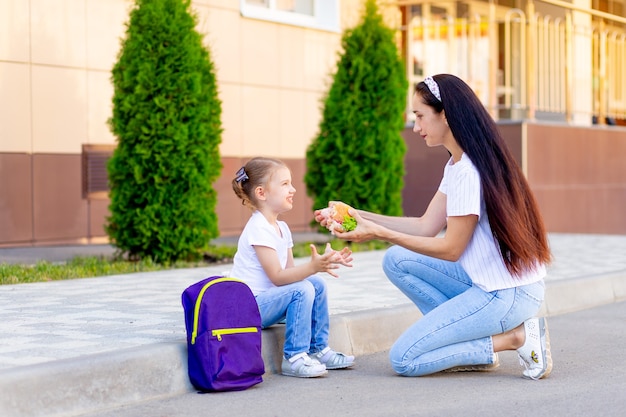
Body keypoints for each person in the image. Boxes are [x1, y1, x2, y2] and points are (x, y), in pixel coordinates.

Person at [315, 74, 553, 380]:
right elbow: (425, 226)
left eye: (420, 116)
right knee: (396, 259)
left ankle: (515, 337)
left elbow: (451, 249)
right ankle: (469, 346)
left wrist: (379, 232)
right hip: (496, 285)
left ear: (446, 114)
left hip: (505, 296)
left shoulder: (468, 172)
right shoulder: (457, 164)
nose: (415, 127)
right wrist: (357, 214)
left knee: (405, 359)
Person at [230, 157, 355, 378]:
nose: (293, 189)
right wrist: (313, 266)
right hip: (251, 307)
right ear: (262, 193)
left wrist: (322, 264)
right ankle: (295, 357)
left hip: (270, 300)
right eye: (285, 184)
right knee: (303, 288)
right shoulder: (259, 227)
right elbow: (279, 278)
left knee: (314, 284)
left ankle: (318, 349)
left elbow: (291, 275)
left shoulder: (281, 227)